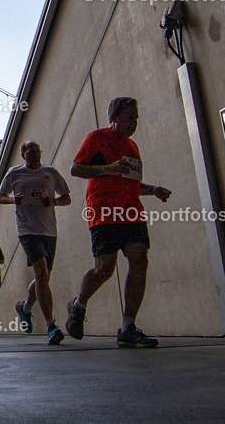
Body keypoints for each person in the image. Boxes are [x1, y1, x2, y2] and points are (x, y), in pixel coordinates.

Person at [67, 97, 171, 348]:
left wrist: (152, 189)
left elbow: (130, 183)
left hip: (131, 211)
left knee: (139, 259)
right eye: (130, 116)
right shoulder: (96, 138)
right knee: (105, 269)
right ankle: (78, 304)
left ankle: (127, 327)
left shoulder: (133, 147)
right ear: (114, 117)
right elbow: (76, 169)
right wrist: (108, 168)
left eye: (137, 117)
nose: (135, 122)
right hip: (103, 211)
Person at [0, 140, 71, 345]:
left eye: (38, 152)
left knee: (44, 277)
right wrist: (13, 200)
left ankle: (25, 307)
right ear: (23, 155)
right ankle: (51, 325)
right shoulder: (14, 173)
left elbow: (67, 198)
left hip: (49, 230)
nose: (35, 155)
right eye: (31, 152)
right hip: (27, 230)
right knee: (40, 273)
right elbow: (0, 197)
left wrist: (53, 201)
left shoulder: (51, 172)